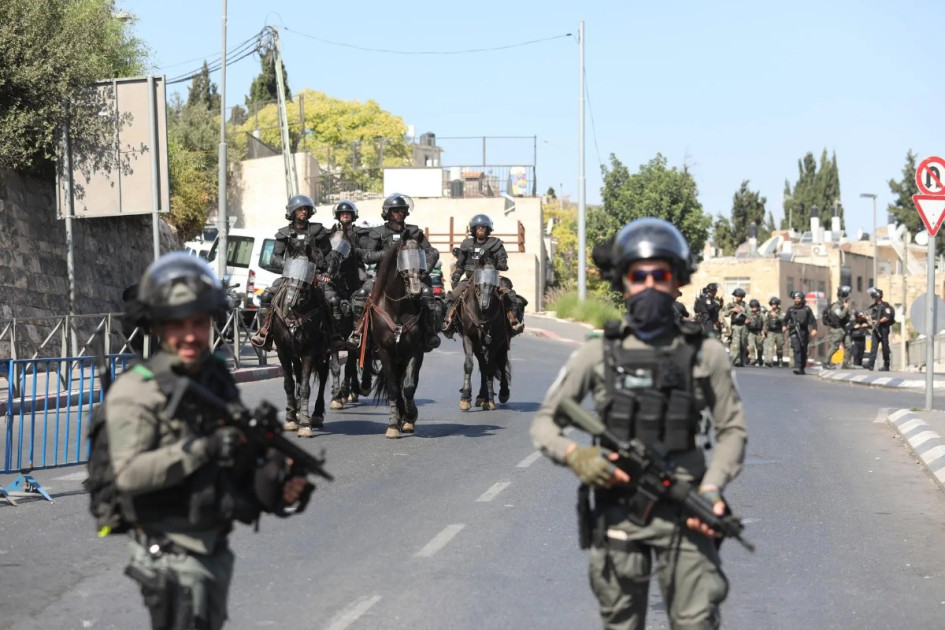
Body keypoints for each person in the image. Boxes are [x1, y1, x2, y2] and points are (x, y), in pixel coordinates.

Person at [530, 217, 747, 630]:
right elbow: (545, 423)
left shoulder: (707, 354)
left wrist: (713, 487)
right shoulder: (598, 353)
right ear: (624, 282)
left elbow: (732, 429)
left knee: (696, 621)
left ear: (677, 281)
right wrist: (578, 456)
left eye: (659, 275)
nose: (648, 285)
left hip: (688, 512)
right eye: (638, 275)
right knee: (622, 622)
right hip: (620, 515)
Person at [106, 252, 312, 629]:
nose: (190, 335)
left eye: (199, 322)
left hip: (212, 546)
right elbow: (128, 475)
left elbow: (236, 468)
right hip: (168, 553)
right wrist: (202, 448)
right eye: (176, 324)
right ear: (156, 327)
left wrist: (281, 487)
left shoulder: (214, 380)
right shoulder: (136, 391)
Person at [346, 193, 442, 351]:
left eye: (402, 210)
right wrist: (388, 253)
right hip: (383, 277)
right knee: (362, 293)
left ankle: (430, 332)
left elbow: (432, 252)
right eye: (396, 211)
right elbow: (367, 255)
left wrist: (425, 269)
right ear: (388, 213)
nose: (400, 214)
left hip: (411, 275)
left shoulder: (414, 232)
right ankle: (358, 332)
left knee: (427, 293)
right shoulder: (377, 233)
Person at [251, 194, 342, 351]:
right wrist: (288, 265)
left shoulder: (318, 231)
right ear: (292, 212)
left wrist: (327, 272)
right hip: (290, 277)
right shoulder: (284, 234)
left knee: (333, 300)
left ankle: (334, 335)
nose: (304, 212)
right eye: (300, 209)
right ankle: (266, 332)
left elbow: (329, 255)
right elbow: (274, 258)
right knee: (267, 295)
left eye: (306, 209)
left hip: (315, 277)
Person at [441, 213, 527, 337]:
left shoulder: (495, 244)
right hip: (470, 279)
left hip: (491, 278)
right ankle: (448, 321)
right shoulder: (466, 244)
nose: (480, 229)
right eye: (478, 227)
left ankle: (513, 321)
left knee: (511, 296)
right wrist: (456, 277)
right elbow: (460, 265)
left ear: (488, 229)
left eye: (483, 227)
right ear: (473, 229)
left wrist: (497, 263)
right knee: (451, 297)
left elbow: (503, 264)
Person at [782, 291, 818, 375]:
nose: (797, 300)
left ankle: (802, 367)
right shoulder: (790, 309)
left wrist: (814, 329)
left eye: (798, 298)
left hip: (804, 331)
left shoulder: (807, 309)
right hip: (794, 331)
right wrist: (784, 326)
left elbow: (813, 321)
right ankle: (797, 366)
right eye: (795, 298)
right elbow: (785, 320)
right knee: (796, 349)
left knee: (803, 350)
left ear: (801, 299)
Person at [864, 288, 895, 371]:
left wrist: (878, 321)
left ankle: (886, 364)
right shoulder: (874, 306)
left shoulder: (885, 306)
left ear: (878, 296)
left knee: (885, 346)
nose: (874, 298)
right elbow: (872, 316)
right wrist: (869, 319)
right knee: (873, 346)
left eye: (875, 297)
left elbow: (887, 317)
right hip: (876, 328)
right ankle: (871, 364)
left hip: (883, 329)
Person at [823, 285, 853, 369]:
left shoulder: (843, 306)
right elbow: (840, 316)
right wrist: (846, 308)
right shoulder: (836, 307)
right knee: (835, 347)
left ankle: (845, 363)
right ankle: (826, 362)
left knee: (848, 345)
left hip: (843, 329)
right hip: (837, 330)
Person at [722, 288, 748, 366]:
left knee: (743, 344)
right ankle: (733, 361)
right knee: (735, 344)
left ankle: (741, 361)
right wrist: (732, 310)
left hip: (743, 327)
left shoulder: (746, 306)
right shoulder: (731, 305)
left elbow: (750, 316)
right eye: (736, 296)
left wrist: (742, 313)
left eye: (739, 296)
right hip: (735, 326)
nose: (737, 298)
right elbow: (725, 314)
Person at [763, 297, 786, 367]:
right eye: (772, 304)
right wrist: (764, 331)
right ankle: (769, 361)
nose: (773, 306)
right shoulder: (769, 313)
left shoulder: (781, 312)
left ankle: (780, 360)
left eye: (775, 304)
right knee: (770, 347)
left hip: (779, 332)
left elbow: (783, 319)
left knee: (779, 348)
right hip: (771, 332)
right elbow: (766, 322)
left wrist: (777, 316)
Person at [745, 299, 765, 366]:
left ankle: (760, 359)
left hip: (758, 332)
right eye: (752, 307)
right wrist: (746, 323)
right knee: (751, 346)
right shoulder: (748, 314)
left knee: (760, 347)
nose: (754, 309)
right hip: (751, 332)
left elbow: (765, 322)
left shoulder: (761, 315)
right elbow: (744, 322)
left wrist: (763, 331)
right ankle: (753, 359)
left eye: (755, 307)